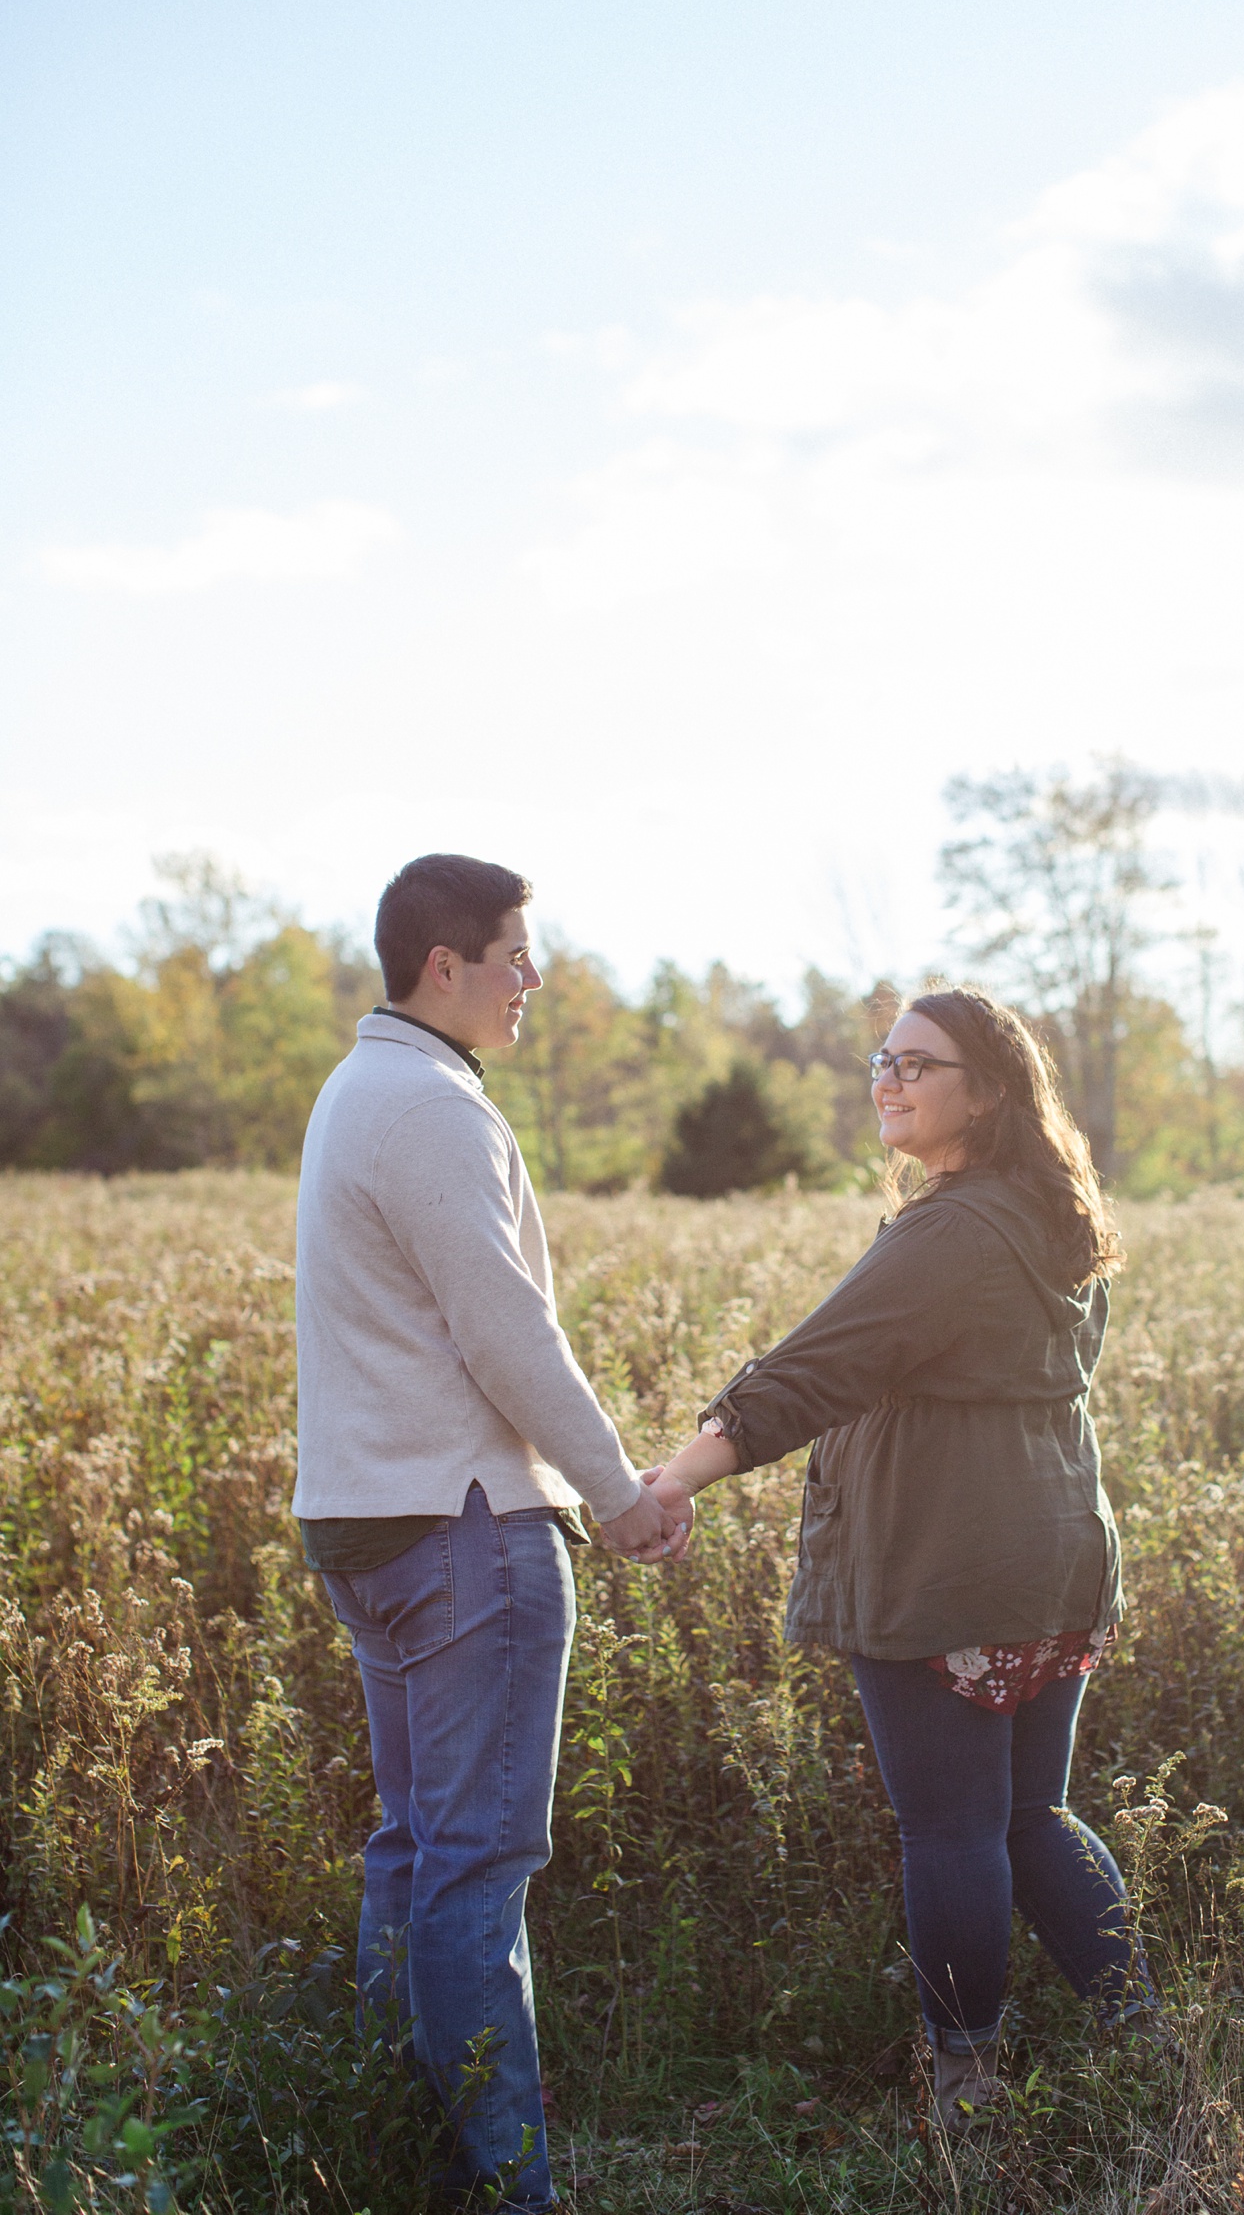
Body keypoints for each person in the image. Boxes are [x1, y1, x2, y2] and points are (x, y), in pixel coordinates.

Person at [645, 985, 1152, 2132]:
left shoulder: (952, 1229)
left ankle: (968, 2083)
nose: (889, 1078)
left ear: (989, 1092)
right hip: (1056, 1559)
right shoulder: (1051, 1217)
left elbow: (811, 1369)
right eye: (884, 1059)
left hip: (950, 1571)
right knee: (1029, 1816)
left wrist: (671, 1478)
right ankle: (1143, 2035)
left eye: (919, 1064)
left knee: (956, 1830)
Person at [293, 852, 684, 2208]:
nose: (533, 979)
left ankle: (396, 2144)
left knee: (415, 1844)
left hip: (368, 1520)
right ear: (441, 965)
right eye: (515, 954)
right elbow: (506, 1333)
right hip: (463, 1523)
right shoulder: (432, 1107)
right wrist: (620, 1490)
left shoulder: (358, 1091)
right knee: (474, 1869)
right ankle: (514, 2187)